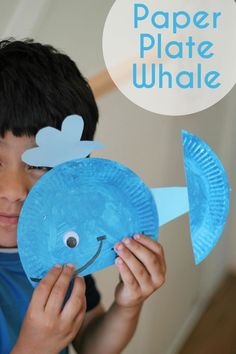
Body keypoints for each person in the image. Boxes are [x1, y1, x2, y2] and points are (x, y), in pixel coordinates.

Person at [0, 38, 166, 354]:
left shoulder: (62, 247)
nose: (12, 191)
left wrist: (128, 304)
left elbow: (90, 343)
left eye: (39, 164)